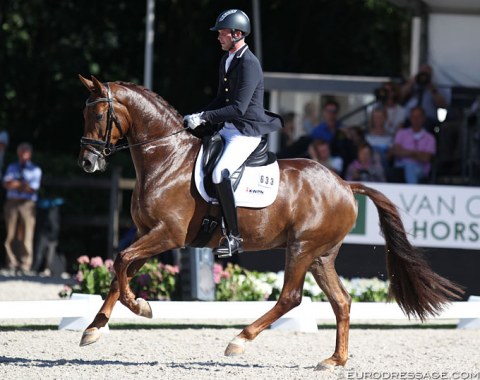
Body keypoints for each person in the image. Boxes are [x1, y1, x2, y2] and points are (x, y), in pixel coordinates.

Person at [183, 9, 283, 256]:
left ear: (237, 34)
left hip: (245, 133)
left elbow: (238, 108)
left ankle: (234, 237)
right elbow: (220, 99)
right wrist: (194, 116)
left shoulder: (250, 64)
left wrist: (204, 117)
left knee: (220, 173)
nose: (218, 37)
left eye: (222, 33)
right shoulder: (227, 59)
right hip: (227, 129)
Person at [3, 142, 42, 274]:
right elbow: (6, 183)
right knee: (10, 234)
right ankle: (11, 263)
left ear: (30, 154)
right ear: (18, 153)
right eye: (21, 151)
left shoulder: (36, 170)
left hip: (27, 204)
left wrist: (16, 184)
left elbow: (32, 188)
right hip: (12, 203)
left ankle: (25, 264)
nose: (23, 154)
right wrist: (23, 185)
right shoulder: (12, 167)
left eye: (26, 152)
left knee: (27, 234)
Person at [390, 106, 436, 184]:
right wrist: (415, 153)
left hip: (420, 169)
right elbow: (396, 151)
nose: (416, 119)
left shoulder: (429, 138)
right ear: (410, 118)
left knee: (410, 166)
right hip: (401, 167)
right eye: (413, 117)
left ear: (423, 118)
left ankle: (411, 191)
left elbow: (426, 158)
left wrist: (404, 152)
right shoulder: (401, 133)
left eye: (418, 117)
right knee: (408, 166)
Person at [400, 64, 449, 132]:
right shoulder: (413, 85)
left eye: (427, 74)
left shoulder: (436, 88)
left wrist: (432, 90)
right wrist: (412, 82)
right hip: (410, 118)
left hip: (427, 119)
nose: (424, 77)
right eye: (422, 73)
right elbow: (400, 96)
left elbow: (442, 105)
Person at [365, 106, 393, 171]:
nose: (378, 119)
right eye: (376, 117)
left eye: (380, 117)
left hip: (384, 166)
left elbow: (390, 156)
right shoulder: (366, 134)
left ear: (384, 118)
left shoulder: (389, 136)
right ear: (372, 119)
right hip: (369, 165)